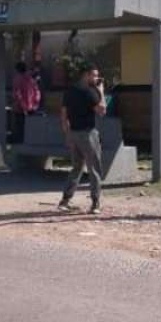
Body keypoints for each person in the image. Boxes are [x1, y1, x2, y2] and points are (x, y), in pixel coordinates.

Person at [58, 62, 107, 214]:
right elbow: (102, 110)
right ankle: (95, 202)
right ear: (86, 75)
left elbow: (64, 113)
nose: (96, 78)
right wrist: (101, 92)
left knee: (77, 167)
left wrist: (67, 132)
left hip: (73, 133)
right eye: (94, 75)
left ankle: (65, 200)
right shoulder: (90, 92)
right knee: (94, 168)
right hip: (87, 133)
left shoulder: (70, 90)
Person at [11, 62, 40, 144]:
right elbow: (37, 93)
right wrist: (35, 105)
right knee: (29, 128)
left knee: (19, 127)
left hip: (20, 109)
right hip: (31, 108)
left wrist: (23, 106)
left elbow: (17, 95)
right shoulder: (31, 80)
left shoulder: (17, 80)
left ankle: (19, 142)